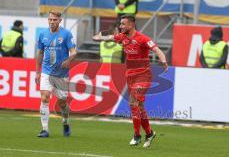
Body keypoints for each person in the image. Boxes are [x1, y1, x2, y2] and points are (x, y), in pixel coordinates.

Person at [93, 15, 168, 148]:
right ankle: (149, 133)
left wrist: (163, 61)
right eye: (120, 24)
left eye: (123, 24)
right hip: (130, 76)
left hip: (143, 76)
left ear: (131, 25)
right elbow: (111, 37)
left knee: (133, 102)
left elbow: (156, 49)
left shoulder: (142, 38)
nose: (121, 26)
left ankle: (137, 135)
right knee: (139, 106)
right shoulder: (122, 37)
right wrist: (100, 38)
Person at [35, 11, 77, 137]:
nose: (52, 22)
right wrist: (38, 72)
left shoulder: (66, 34)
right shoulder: (42, 34)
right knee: (44, 97)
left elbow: (74, 52)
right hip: (46, 72)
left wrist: (68, 60)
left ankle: (65, 122)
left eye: (54, 20)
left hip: (61, 74)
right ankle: (45, 130)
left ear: (60, 20)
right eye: (50, 19)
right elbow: (40, 53)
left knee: (62, 103)